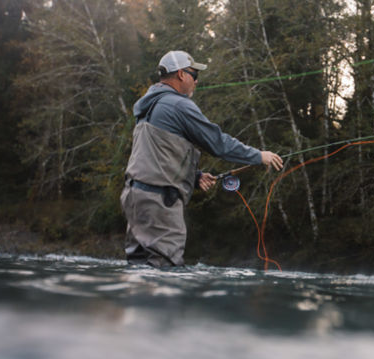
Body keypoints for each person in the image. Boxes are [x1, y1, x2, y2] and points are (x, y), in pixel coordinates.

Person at [121, 50, 283, 267]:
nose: (196, 81)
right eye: (193, 74)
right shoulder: (178, 105)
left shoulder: (149, 105)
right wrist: (258, 156)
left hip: (134, 197)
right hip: (159, 201)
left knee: (139, 267)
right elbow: (218, 144)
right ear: (180, 75)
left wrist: (194, 176)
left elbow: (155, 154)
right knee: (163, 271)